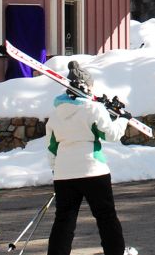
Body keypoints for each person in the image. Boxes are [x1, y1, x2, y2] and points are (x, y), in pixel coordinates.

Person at [45, 62, 137, 255]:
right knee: (106, 216)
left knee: (64, 220)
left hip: (64, 174)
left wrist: (57, 170)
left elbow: (51, 148)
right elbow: (111, 135)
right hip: (93, 170)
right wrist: (123, 119)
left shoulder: (55, 114)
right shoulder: (94, 109)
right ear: (87, 87)